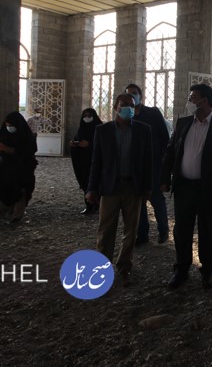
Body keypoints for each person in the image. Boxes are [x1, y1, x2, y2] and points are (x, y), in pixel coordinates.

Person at [161, 83, 212, 290]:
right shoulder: (183, 122)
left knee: (208, 229)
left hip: (209, 188)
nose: (189, 101)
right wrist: (164, 179)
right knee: (182, 229)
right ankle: (181, 268)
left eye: (193, 97)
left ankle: (208, 270)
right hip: (184, 186)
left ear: (204, 100)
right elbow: (171, 151)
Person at [85, 94, 152, 287]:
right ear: (116, 106)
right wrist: (91, 188)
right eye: (124, 105)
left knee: (131, 230)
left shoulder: (143, 130)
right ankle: (102, 268)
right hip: (110, 187)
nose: (128, 108)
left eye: (132, 105)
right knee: (106, 230)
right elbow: (96, 161)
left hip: (133, 188)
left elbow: (148, 161)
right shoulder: (103, 130)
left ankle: (124, 266)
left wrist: (147, 188)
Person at [124, 83, 171, 246]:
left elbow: (165, 137)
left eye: (134, 93)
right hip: (134, 166)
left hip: (153, 164)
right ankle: (142, 234)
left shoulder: (152, 113)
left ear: (140, 96)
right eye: (128, 94)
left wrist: (162, 159)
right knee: (139, 201)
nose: (132, 96)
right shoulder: (127, 115)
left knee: (156, 198)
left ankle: (163, 230)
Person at [0, 111, 38, 223]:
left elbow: (28, 150)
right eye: (7, 125)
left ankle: (17, 215)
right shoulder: (5, 133)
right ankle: (13, 209)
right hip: (7, 166)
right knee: (0, 186)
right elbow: (1, 150)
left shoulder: (26, 135)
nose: (9, 128)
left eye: (11, 125)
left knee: (20, 189)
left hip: (23, 166)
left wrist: (8, 149)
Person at [69, 108, 102, 215]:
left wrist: (90, 145)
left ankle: (99, 205)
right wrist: (75, 145)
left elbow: (103, 145)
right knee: (85, 182)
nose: (87, 118)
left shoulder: (100, 128)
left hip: (95, 162)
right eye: (85, 116)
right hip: (83, 162)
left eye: (89, 116)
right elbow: (78, 140)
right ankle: (89, 205)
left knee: (96, 182)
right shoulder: (82, 128)